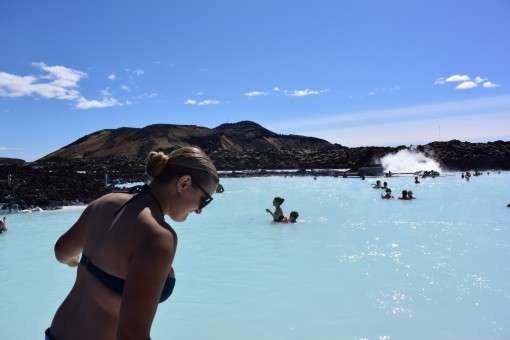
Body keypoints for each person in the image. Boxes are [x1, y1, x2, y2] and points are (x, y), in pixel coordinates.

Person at [45, 147, 219, 340]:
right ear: (184, 183)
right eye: (204, 200)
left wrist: (76, 262)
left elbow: (61, 251)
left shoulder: (106, 202)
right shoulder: (158, 236)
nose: (199, 210)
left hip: (55, 332)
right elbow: (131, 335)